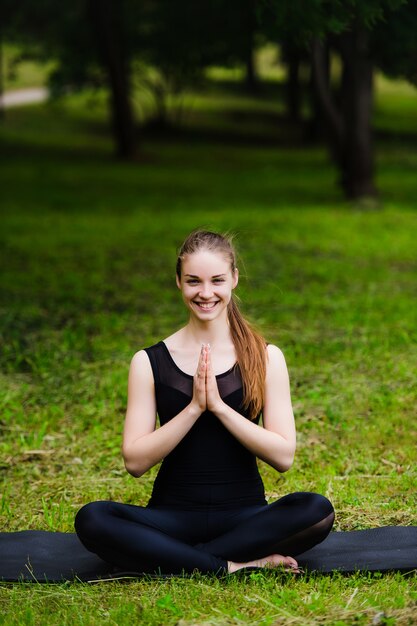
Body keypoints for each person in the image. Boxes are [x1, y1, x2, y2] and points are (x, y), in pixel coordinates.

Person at [75, 229, 334, 576]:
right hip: (171, 516)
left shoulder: (266, 356)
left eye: (217, 281)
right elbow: (135, 461)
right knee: (92, 519)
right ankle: (231, 565)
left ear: (234, 280)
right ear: (179, 282)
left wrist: (221, 408)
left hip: (245, 519)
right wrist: (195, 407)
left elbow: (283, 456)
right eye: (194, 281)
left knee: (316, 509)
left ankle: (176, 559)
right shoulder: (149, 361)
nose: (206, 293)